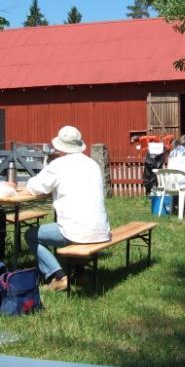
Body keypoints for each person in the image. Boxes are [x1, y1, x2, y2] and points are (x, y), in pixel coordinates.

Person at [24, 125, 111, 292]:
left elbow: (35, 187)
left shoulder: (58, 165)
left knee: (31, 235)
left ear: (60, 146)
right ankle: (79, 272)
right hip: (101, 229)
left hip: (75, 230)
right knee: (77, 224)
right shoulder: (92, 164)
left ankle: (58, 276)